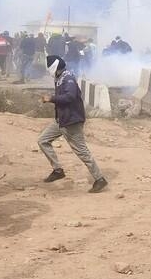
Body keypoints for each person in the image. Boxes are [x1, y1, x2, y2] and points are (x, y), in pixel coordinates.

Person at [37, 56, 108, 193]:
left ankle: (99, 179)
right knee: (43, 140)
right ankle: (58, 170)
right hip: (61, 120)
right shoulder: (59, 78)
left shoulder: (67, 78)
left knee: (82, 151)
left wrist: (51, 98)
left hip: (71, 121)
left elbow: (70, 97)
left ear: (54, 67)